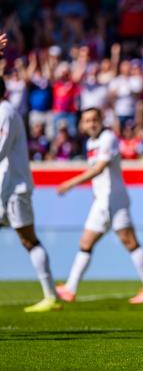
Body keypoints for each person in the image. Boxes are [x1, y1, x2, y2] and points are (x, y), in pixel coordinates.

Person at [55, 108, 143, 304]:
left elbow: (100, 168)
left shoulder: (108, 138)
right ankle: (70, 288)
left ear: (101, 120)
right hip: (102, 201)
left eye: (94, 119)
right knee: (87, 243)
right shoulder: (91, 142)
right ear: (83, 124)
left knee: (129, 242)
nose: (91, 124)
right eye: (87, 121)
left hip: (114, 201)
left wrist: (70, 183)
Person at [0, 73, 61, 312]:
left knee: (29, 240)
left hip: (13, 188)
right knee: (29, 240)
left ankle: (51, 295)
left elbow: (1, 150)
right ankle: (51, 295)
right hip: (6, 187)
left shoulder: (5, 112)